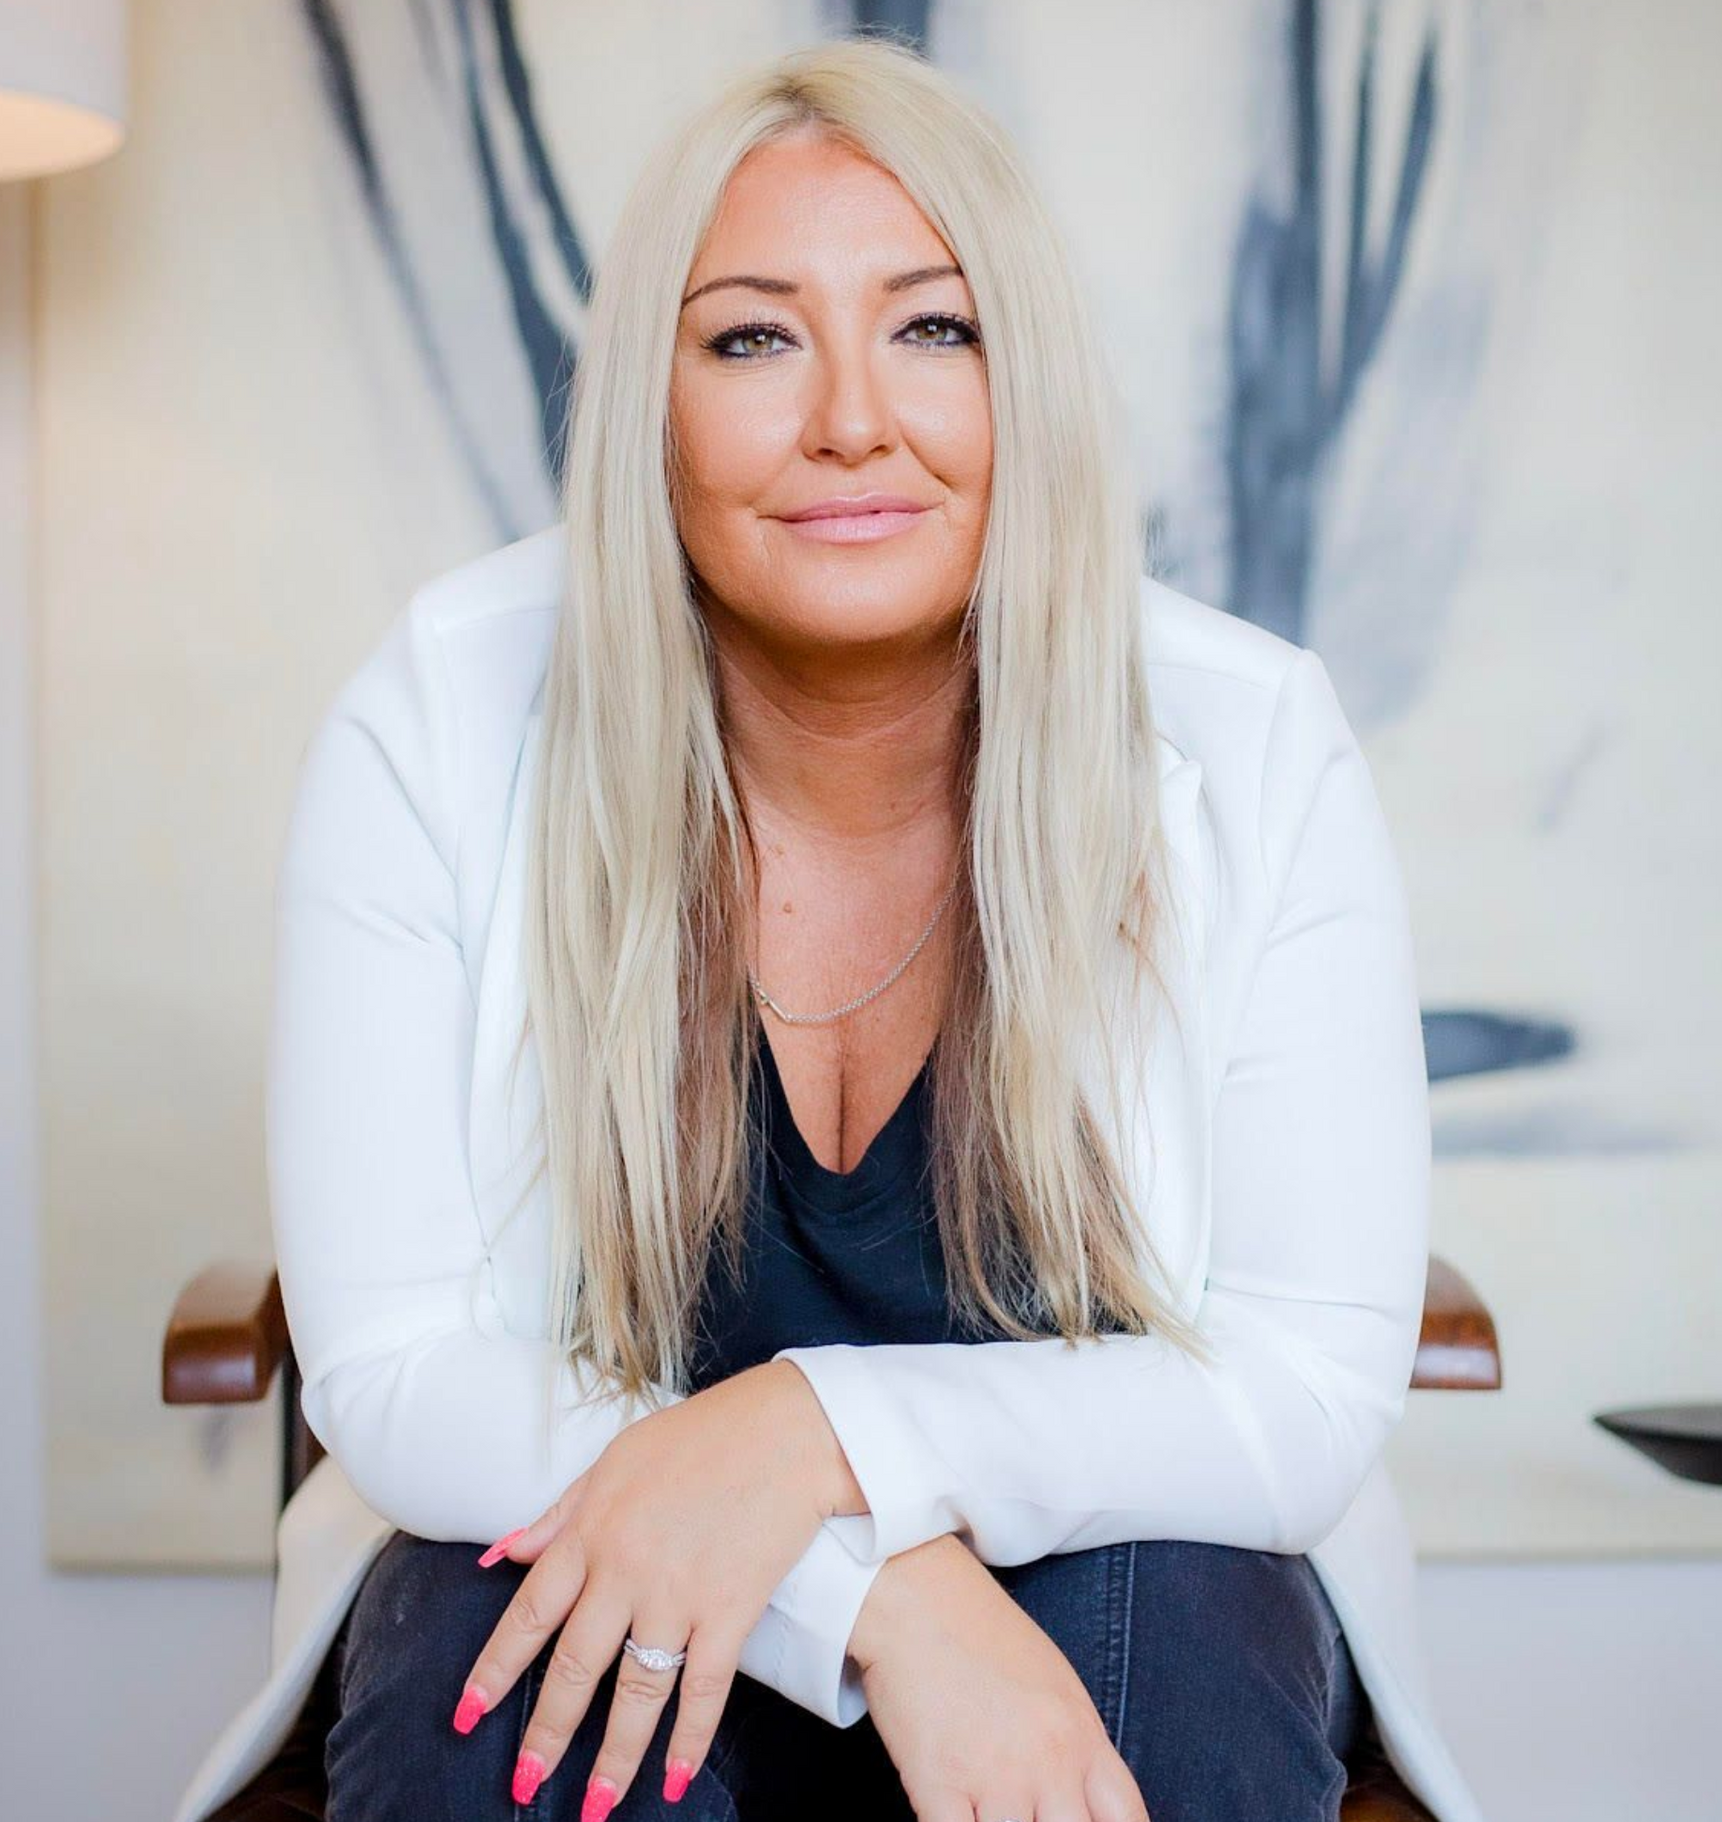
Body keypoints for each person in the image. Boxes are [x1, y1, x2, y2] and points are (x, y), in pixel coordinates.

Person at [184, 32, 1486, 1822]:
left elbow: (1294, 1395)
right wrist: (882, 1594)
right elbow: (402, 1376)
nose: (850, 419)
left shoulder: (1250, 742)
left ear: (1020, 379)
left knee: (1175, 1607)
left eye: (932, 328)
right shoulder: (438, 716)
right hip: (606, 1541)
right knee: (502, 1658)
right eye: (752, 336)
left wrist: (802, 1433)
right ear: (652, 393)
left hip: (1107, 1587)